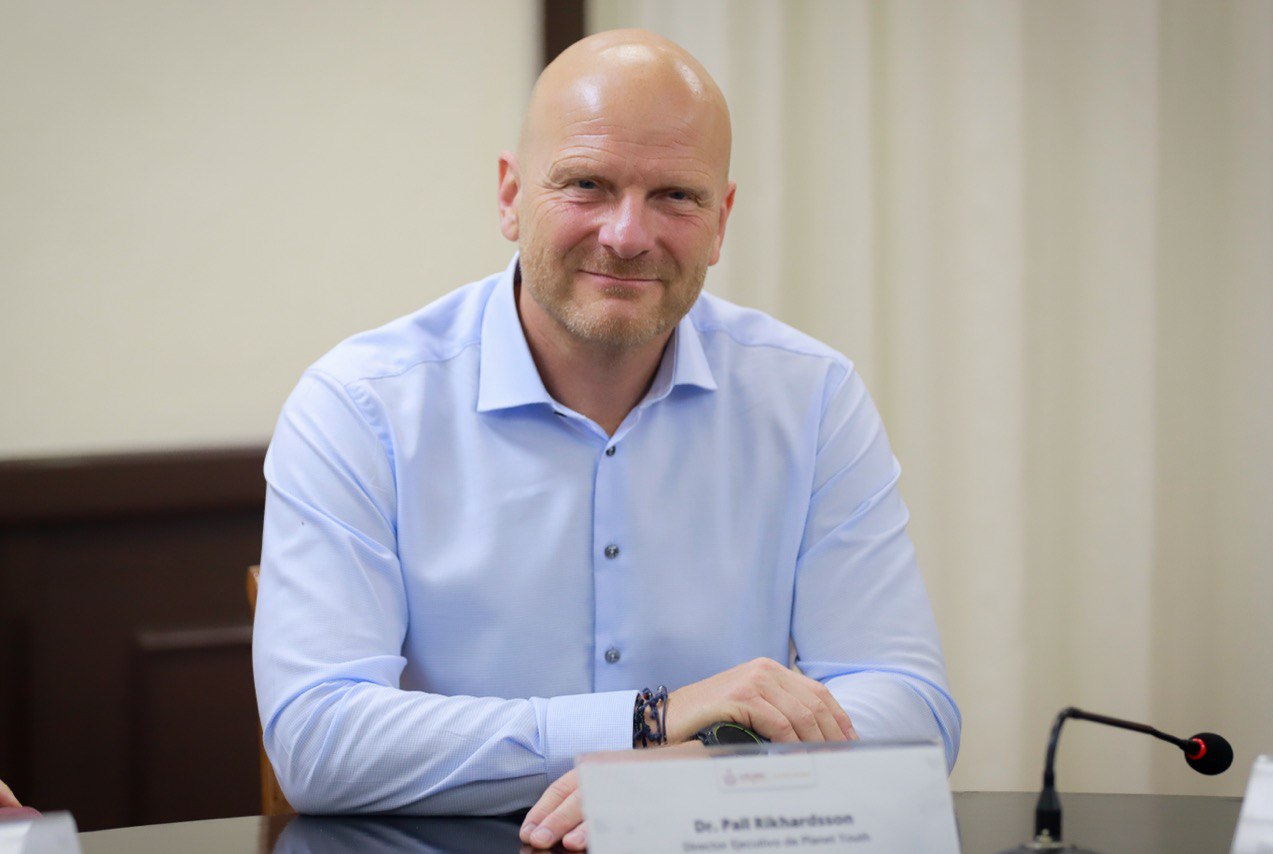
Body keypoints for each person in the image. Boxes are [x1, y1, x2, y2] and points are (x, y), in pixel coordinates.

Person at [253, 28, 960, 851]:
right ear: (511, 196)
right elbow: (319, 740)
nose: (628, 235)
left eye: (676, 196)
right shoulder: (358, 406)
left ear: (721, 221)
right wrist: (648, 722)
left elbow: (912, 707)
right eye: (587, 184)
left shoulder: (811, 397)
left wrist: (718, 757)